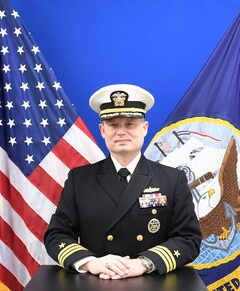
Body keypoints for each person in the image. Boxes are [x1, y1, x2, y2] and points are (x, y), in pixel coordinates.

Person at [44, 84, 202, 280]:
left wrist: (144, 263)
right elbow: (56, 235)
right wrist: (91, 262)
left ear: (144, 129)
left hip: (152, 281)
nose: (121, 131)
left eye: (130, 124)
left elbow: (188, 239)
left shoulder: (172, 179)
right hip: (97, 281)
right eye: (113, 124)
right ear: (102, 130)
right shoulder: (79, 179)